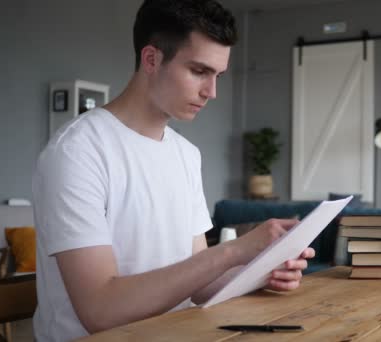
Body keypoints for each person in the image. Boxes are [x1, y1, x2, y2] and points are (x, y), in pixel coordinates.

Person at [32, 0, 314, 340]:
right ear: (151, 59)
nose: (211, 92)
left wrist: (262, 272)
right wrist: (233, 250)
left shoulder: (185, 154)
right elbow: (100, 311)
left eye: (218, 75)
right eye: (199, 71)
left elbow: (200, 285)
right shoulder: (77, 152)